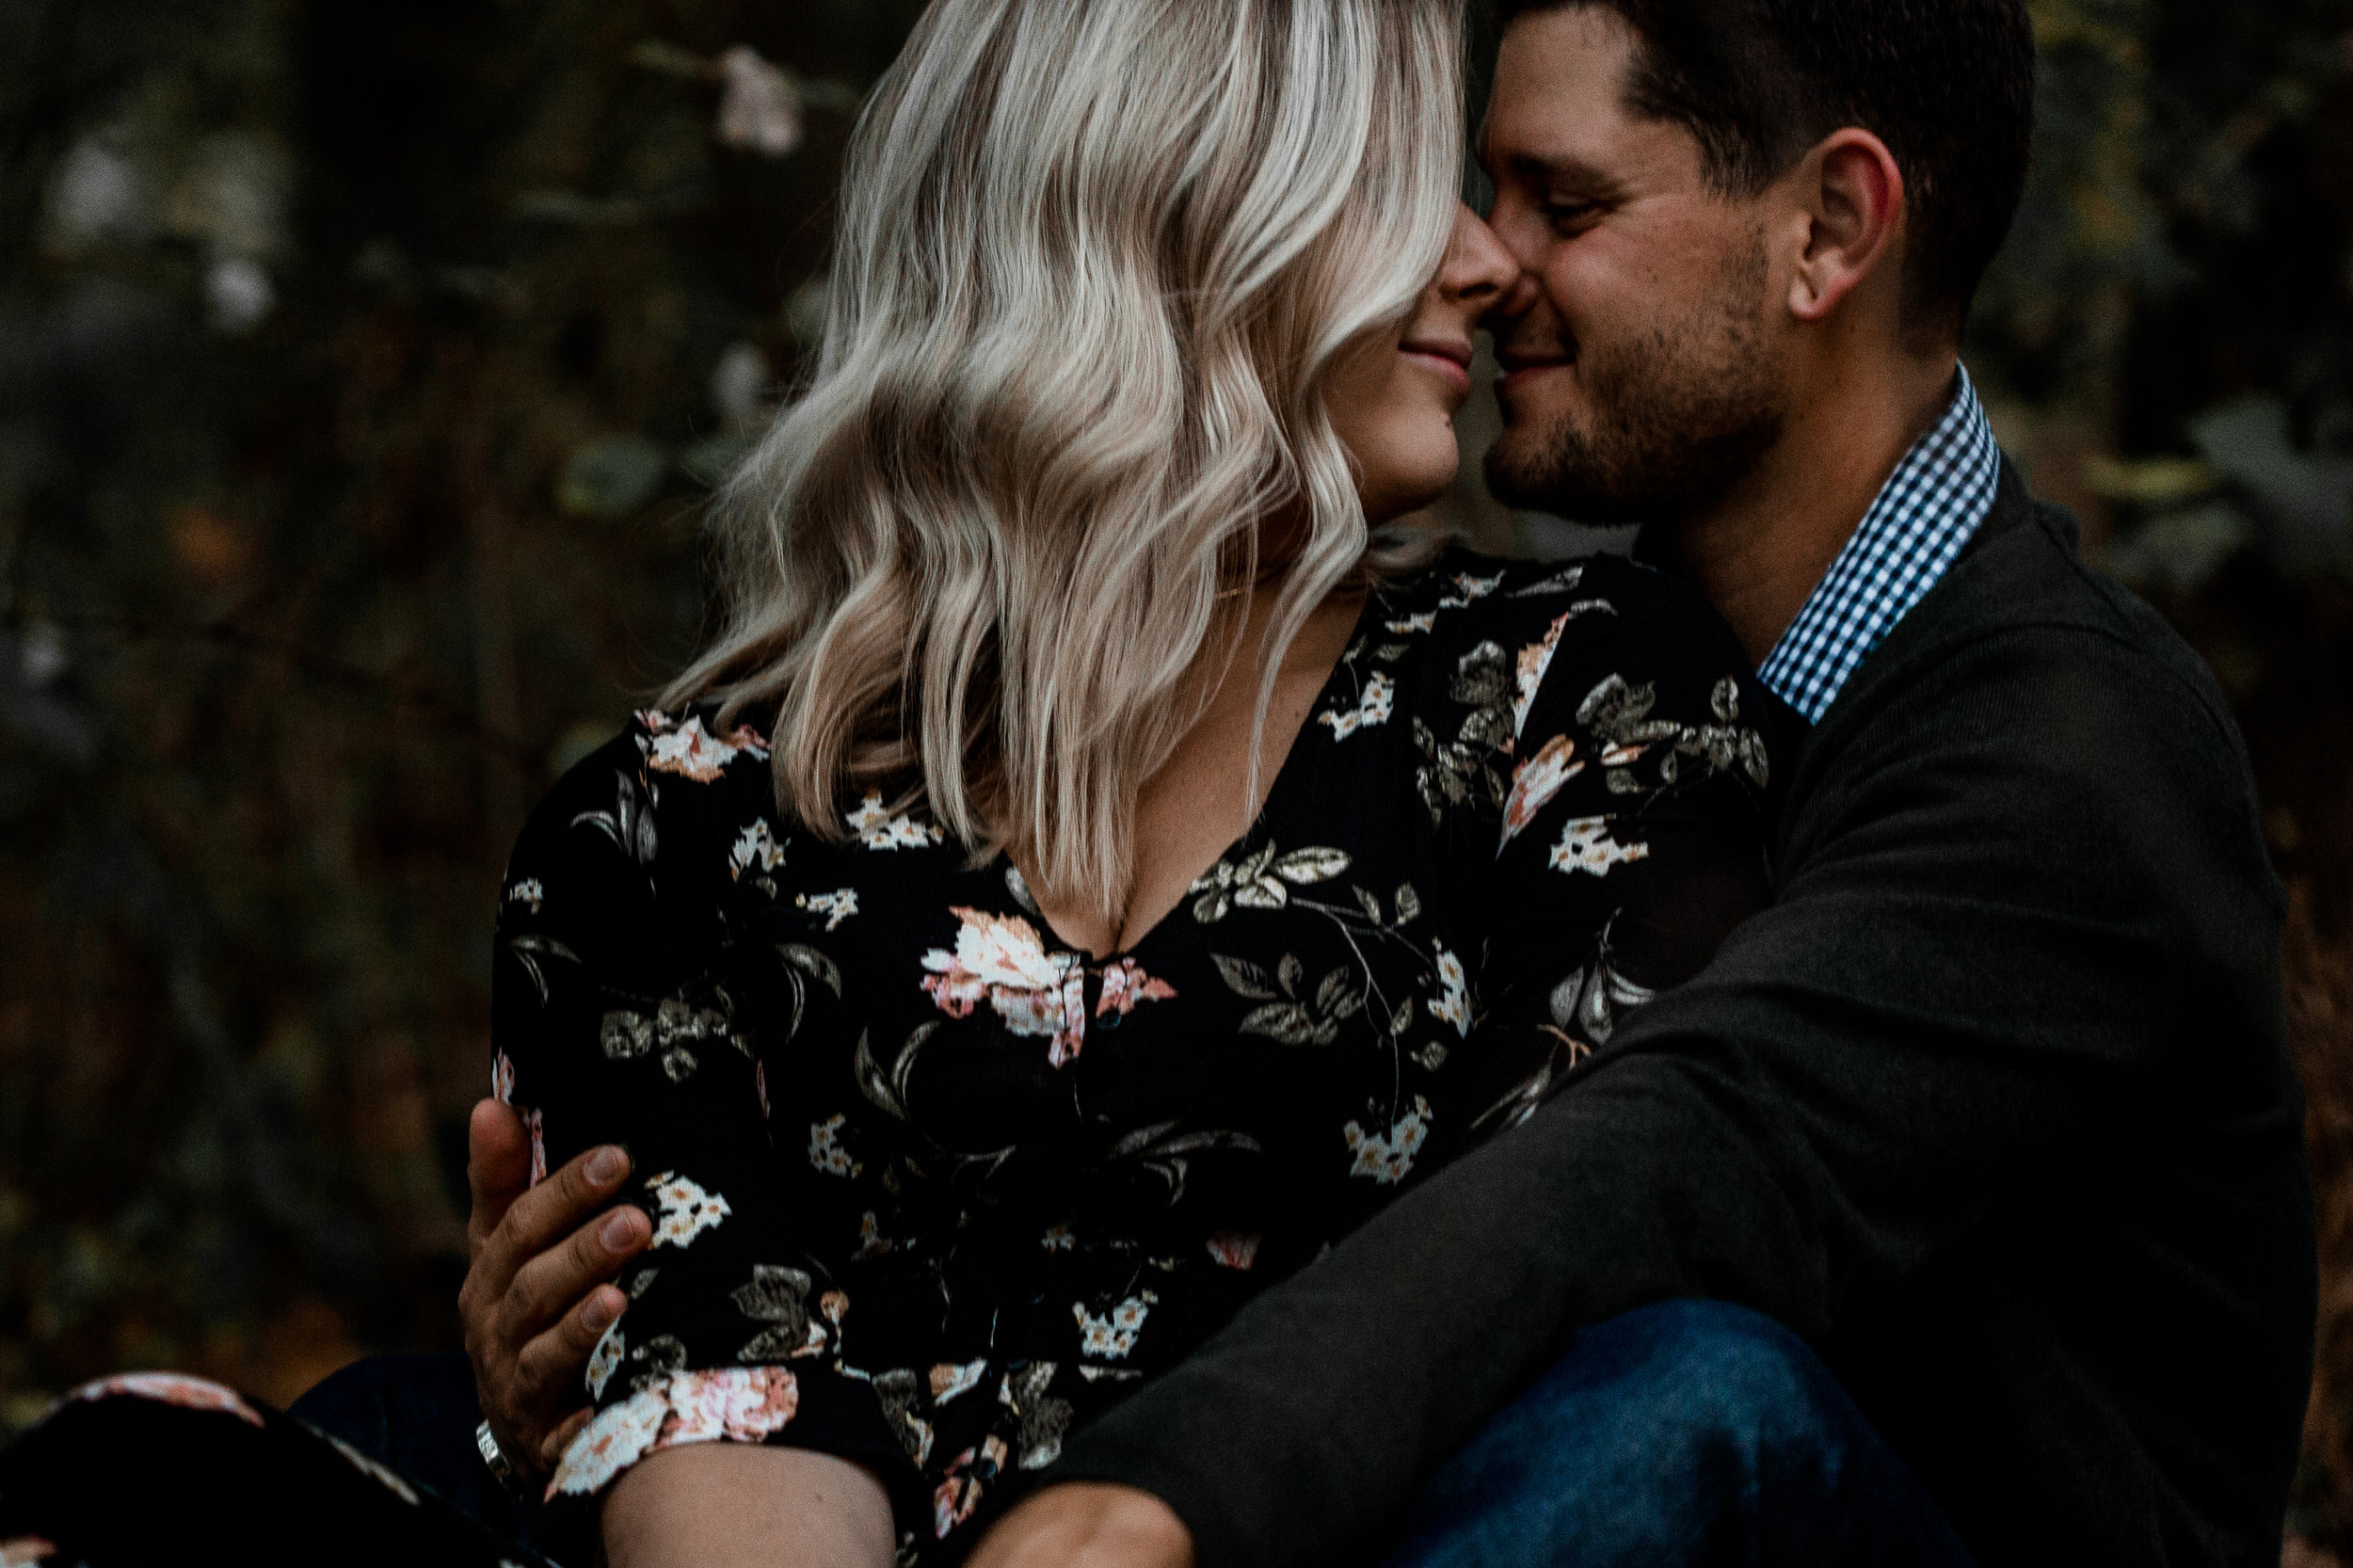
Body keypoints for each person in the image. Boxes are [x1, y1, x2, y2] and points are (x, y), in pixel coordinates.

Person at [0, 1, 1789, 1564]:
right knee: (125, 1474)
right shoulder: (675, 830)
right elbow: (731, 1423)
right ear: (1175, 212)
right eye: (1409, 187)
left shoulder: (1578, 699)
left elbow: (1553, 1309)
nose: (1486, 263)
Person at [952, 3, 2320, 1566]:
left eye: (1570, 203)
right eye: (1486, 189)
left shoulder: (2078, 757)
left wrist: (1169, 1489)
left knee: (1689, 1399)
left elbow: (1695, 1148)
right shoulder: (1558, 693)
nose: (1480, 259)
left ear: (1828, 231)